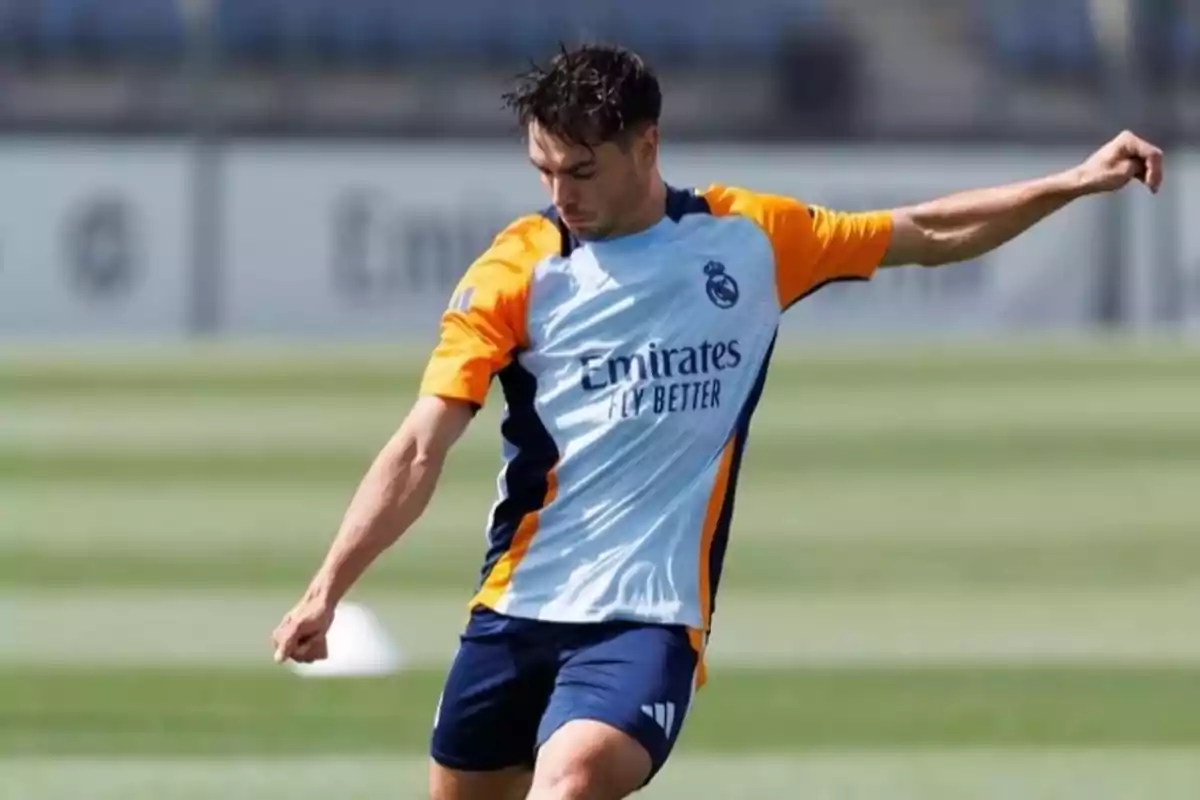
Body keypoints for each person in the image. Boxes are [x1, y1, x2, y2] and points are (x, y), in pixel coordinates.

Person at [270, 42, 1163, 800]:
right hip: (516, 607)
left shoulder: (748, 238)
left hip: (647, 621)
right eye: (543, 170)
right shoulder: (517, 271)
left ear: (646, 145)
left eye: (580, 171)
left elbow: (925, 233)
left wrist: (1075, 181)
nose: (560, 192)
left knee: (571, 783)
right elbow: (421, 445)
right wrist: (327, 588)